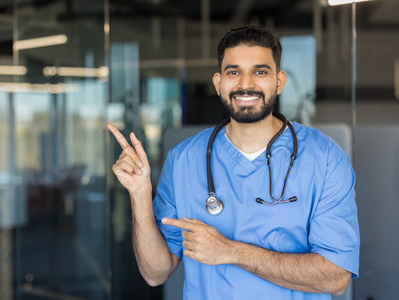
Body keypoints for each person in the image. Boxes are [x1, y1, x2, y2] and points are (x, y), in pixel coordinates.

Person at [108, 26, 359, 299]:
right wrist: (140, 193)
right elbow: (155, 273)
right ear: (218, 83)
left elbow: (336, 277)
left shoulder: (324, 158)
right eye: (233, 72)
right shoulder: (184, 159)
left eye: (260, 71)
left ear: (280, 81)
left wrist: (229, 251)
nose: (245, 84)